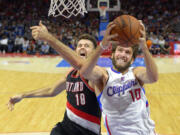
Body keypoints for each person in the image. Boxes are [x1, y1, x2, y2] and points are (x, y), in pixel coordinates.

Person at [7, 33, 102, 135]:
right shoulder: (71, 73)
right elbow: (51, 90)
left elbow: (82, 66)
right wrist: (23, 95)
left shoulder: (96, 74)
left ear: (94, 53)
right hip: (66, 128)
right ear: (75, 51)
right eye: (80, 45)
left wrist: (48, 38)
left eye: (87, 46)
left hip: (87, 131)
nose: (82, 47)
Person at [78, 21, 159, 135]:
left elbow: (153, 77)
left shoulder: (136, 73)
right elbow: (85, 72)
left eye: (127, 52)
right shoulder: (104, 75)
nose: (123, 54)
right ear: (112, 55)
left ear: (132, 59)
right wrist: (102, 46)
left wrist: (144, 48)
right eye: (120, 50)